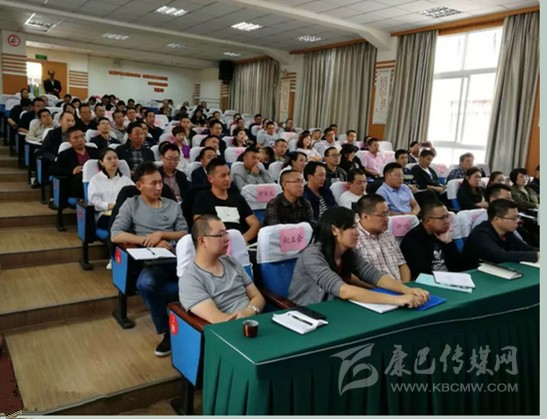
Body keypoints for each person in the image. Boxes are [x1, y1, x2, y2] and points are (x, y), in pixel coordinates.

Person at [111, 162, 188, 356]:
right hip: (152, 260)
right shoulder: (132, 204)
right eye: (153, 183)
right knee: (145, 283)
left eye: (161, 182)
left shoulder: (172, 205)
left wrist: (161, 235)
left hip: (177, 257)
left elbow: (183, 232)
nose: (159, 187)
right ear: (139, 186)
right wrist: (149, 241)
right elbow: (116, 234)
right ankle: (167, 331)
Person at [288, 207, 429, 306]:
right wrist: (397, 300)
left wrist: (407, 290)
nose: (357, 232)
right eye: (351, 227)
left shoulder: (349, 252)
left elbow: (374, 275)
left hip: (337, 307)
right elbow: (343, 290)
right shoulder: (312, 255)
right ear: (334, 230)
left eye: (356, 226)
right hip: (308, 311)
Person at [178, 215, 266, 323]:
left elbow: (258, 297)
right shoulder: (190, 279)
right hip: (232, 328)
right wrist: (246, 319)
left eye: (226, 233)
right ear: (202, 241)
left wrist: (251, 310)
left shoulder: (231, 262)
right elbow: (218, 319)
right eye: (220, 235)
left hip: (256, 321)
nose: (227, 239)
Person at [193, 158, 260, 243]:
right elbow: (199, 225)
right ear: (210, 179)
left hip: (240, 242)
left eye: (228, 174)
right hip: (215, 243)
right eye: (223, 176)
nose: (228, 179)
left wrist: (243, 239)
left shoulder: (237, 198)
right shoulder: (202, 197)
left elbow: (255, 223)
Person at [400, 201, 467, 279]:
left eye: (447, 216)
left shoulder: (443, 234)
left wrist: (449, 243)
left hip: (450, 279)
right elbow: (421, 274)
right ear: (428, 221)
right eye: (442, 218)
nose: (447, 221)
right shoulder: (413, 240)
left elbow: (460, 268)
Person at [463, 199, 539, 267]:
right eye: (513, 218)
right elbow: (500, 256)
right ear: (496, 219)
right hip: (473, 273)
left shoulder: (506, 232)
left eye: (518, 217)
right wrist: (536, 255)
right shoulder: (480, 234)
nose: (518, 221)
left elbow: (525, 248)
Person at [355, 195, 411, 282]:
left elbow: (402, 264)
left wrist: (405, 285)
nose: (387, 219)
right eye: (382, 215)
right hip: (375, 288)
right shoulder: (355, 238)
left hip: (400, 286)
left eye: (387, 214)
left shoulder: (388, 234)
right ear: (365, 217)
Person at [88, 148, 134, 228]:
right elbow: (94, 202)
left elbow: (136, 196)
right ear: (102, 162)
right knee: (121, 222)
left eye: (115, 158)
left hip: (125, 213)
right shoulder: (95, 180)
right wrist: (109, 205)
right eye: (109, 159)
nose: (113, 161)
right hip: (105, 214)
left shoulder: (126, 180)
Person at [50, 127, 99, 199]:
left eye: (82, 136)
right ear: (69, 141)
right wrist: (72, 171)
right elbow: (55, 170)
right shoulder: (64, 154)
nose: (80, 140)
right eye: (76, 138)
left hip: (95, 178)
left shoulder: (94, 151)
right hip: (76, 183)